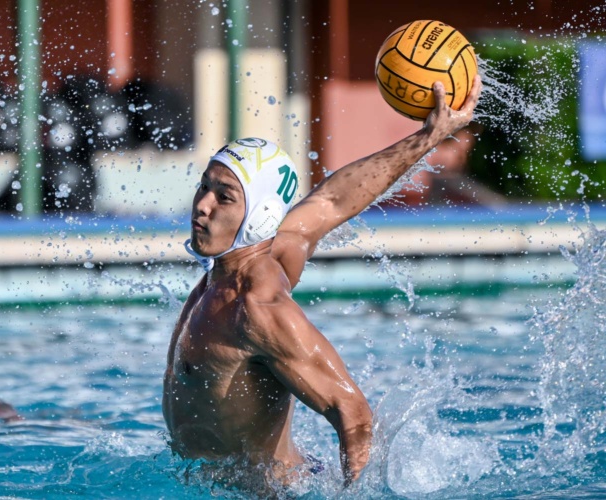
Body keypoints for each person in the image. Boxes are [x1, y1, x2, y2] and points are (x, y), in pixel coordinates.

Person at [162, 76, 482, 486]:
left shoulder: (258, 308)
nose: (202, 205)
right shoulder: (249, 259)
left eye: (224, 197)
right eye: (204, 186)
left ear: (258, 217)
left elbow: (355, 414)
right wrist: (430, 136)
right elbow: (333, 199)